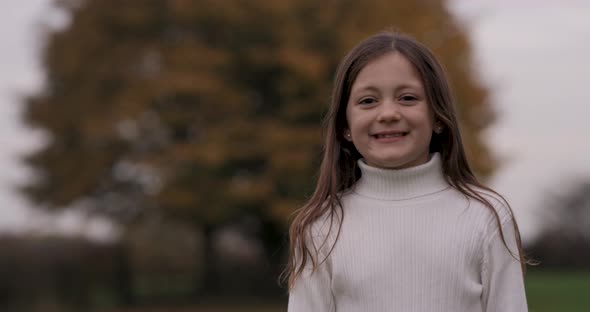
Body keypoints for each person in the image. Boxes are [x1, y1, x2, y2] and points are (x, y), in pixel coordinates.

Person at [283, 31, 529, 312]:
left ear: (438, 116)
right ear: (345, 126)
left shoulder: (486, 216)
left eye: (408, 98)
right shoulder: (321, 226)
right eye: (368, 101)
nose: (388, 113)